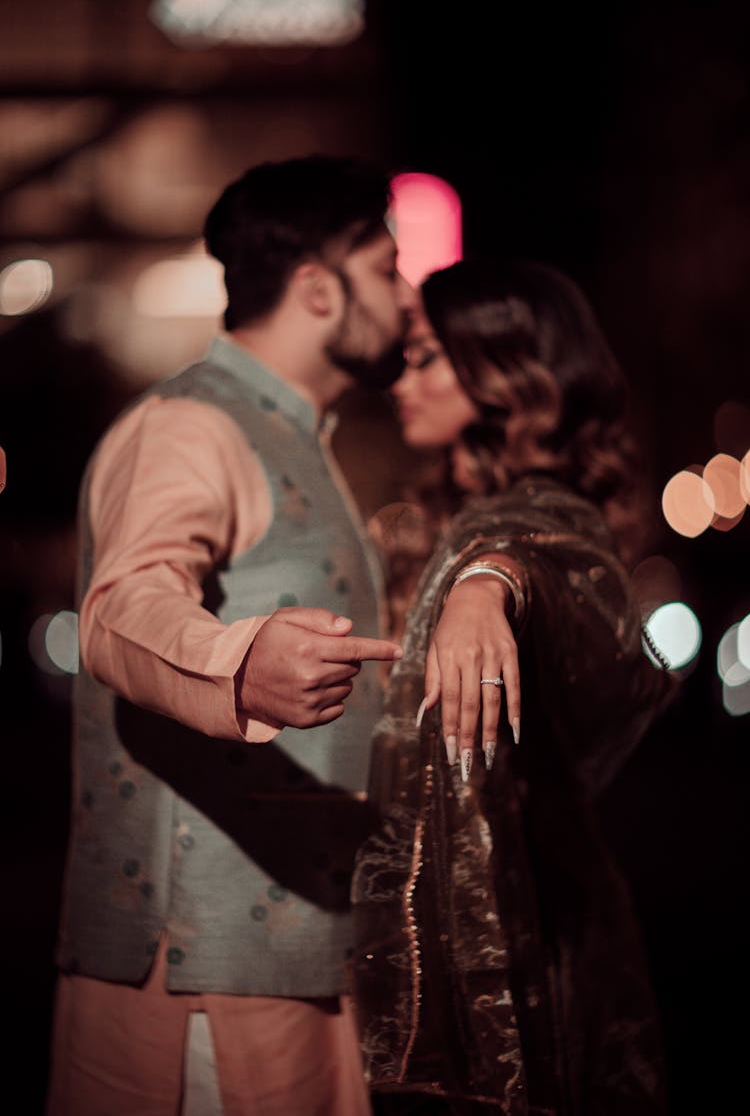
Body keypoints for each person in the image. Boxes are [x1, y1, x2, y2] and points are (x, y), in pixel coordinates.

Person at [46, 153, 417, 1116]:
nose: (405, 295)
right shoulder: (191, 425)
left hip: (287, 963)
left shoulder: (293, 432)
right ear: (316, 289)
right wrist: (241, 661)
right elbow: (122, 605)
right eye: (386, 267)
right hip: (207, 977)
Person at [351, 257, 678, 1114]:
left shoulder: (543, 513)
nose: (403, 379)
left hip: (526, 926)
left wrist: (488, 579)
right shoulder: (435, 514)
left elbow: (562, 564)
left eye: (427, 359)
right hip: (455, 924)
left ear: (503, 374)